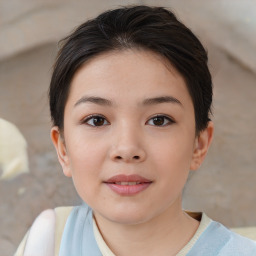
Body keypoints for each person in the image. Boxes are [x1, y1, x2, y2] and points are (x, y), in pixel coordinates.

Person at [15, 5, 256, 256]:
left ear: (199, 144)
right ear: (62, 147)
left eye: (159, 120)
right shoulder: (48, 241)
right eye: (97, 120)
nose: (127, 149)